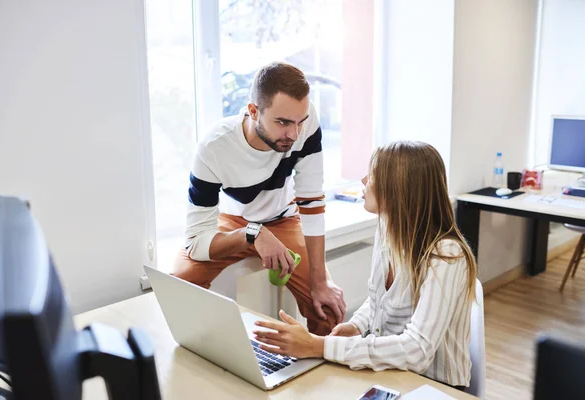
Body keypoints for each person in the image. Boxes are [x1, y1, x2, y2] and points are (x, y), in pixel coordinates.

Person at [252, 141, 477, 388]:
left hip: (435, 387)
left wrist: (319, 345)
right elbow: (377, 300)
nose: (363, 180)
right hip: (391, 375)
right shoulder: (387, 228)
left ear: (397, 189)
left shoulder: (447, 256)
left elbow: (417, 350)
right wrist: (357, 326)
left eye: (373, 175)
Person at [172, 62, 346, 335]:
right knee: (179, 285)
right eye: (283, 122)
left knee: (327, 310)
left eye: (300, 122)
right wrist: (254, 233)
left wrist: (320, 280)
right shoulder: (214, 148)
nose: (294, 134)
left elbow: (311, 201)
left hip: (283, 219)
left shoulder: (304, 120)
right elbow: (195, 243)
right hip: (233, 224)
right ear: (253, 111)